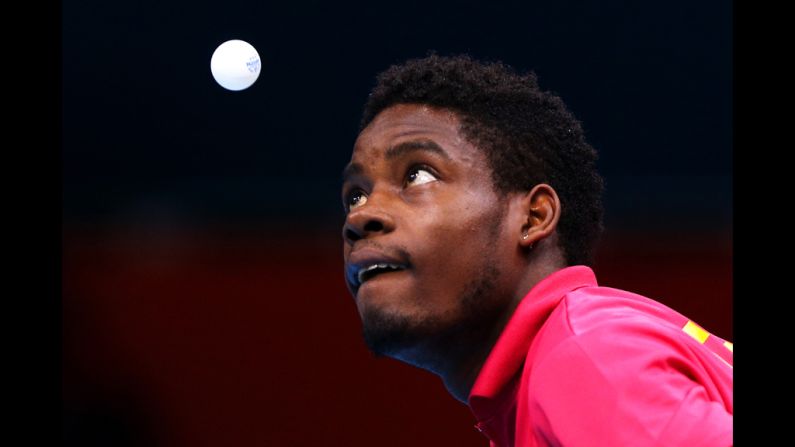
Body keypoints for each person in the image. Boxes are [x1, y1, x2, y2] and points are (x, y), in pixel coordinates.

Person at [339, 53, 732, 446]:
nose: (362, 217)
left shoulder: (585, 361)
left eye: (417, 174)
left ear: (532, 217)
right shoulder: (574, 358)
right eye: (355, 196)